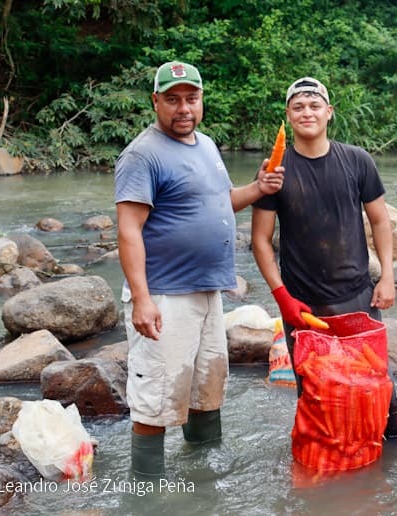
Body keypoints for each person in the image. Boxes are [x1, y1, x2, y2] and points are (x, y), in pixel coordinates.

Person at [114, 61, 284, 477]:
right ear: (156, 102)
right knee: (156, 399)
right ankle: (147, 493)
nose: (183, 108)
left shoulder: (205, 145)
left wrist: (258, 189)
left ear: (201, 100)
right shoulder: (142, 154)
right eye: (172, 100)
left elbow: (219, 201)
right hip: (165, 296)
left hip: (208, 292)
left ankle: (204, 480)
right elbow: (128, 230)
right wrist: (142, 299)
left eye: (191, 98)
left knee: (207, 390)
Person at [250, 76, 397, 439]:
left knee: (378, 388)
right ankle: (326, 467)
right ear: (288, 114)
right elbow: (260, 239)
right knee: (315, 393)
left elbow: (380, 220)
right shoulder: (276, 169)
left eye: (315, 105)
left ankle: (387, 460)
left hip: (357, 297)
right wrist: (281, 296)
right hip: (303, 305)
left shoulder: (357, 160)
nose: (307, 112)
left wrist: (384, 278)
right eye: (298, 106)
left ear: (329, 112)